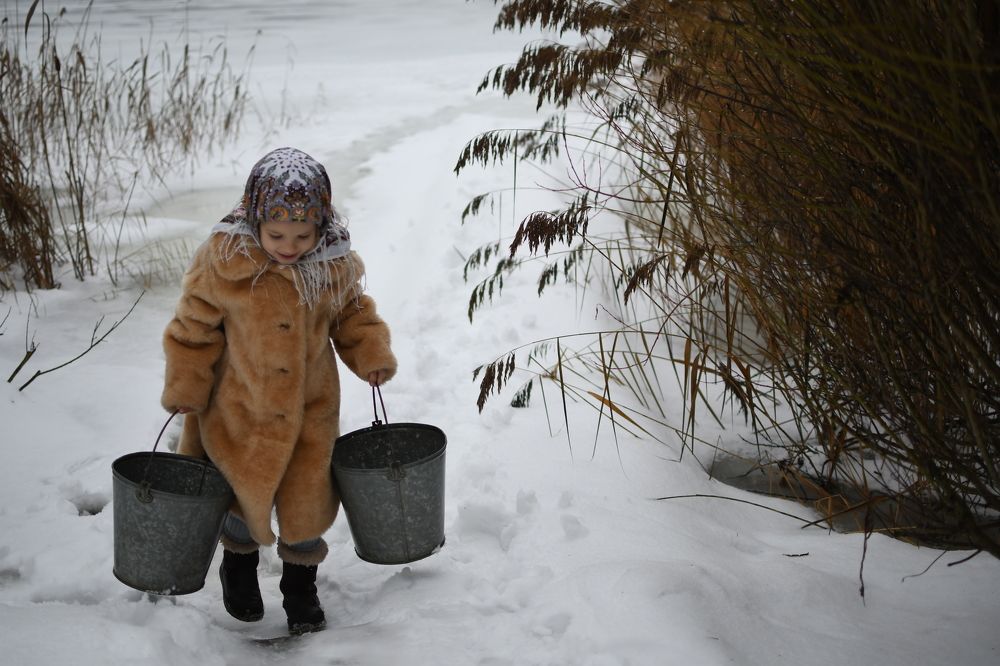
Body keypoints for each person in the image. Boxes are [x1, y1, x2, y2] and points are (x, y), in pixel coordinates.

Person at [160, 146, 397, 634]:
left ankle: (300, 587)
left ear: (321, 226)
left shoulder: (332, 265)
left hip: (311, 409)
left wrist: (369, 353)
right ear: (254, 220)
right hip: (239, 406)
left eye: (302, 235)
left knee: (306, 505)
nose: (289, 246)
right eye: (276, 234)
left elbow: (353, 315)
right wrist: (188, 383)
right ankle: (239, 567)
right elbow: (193, 328)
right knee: (241, 497)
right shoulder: (224, 262)